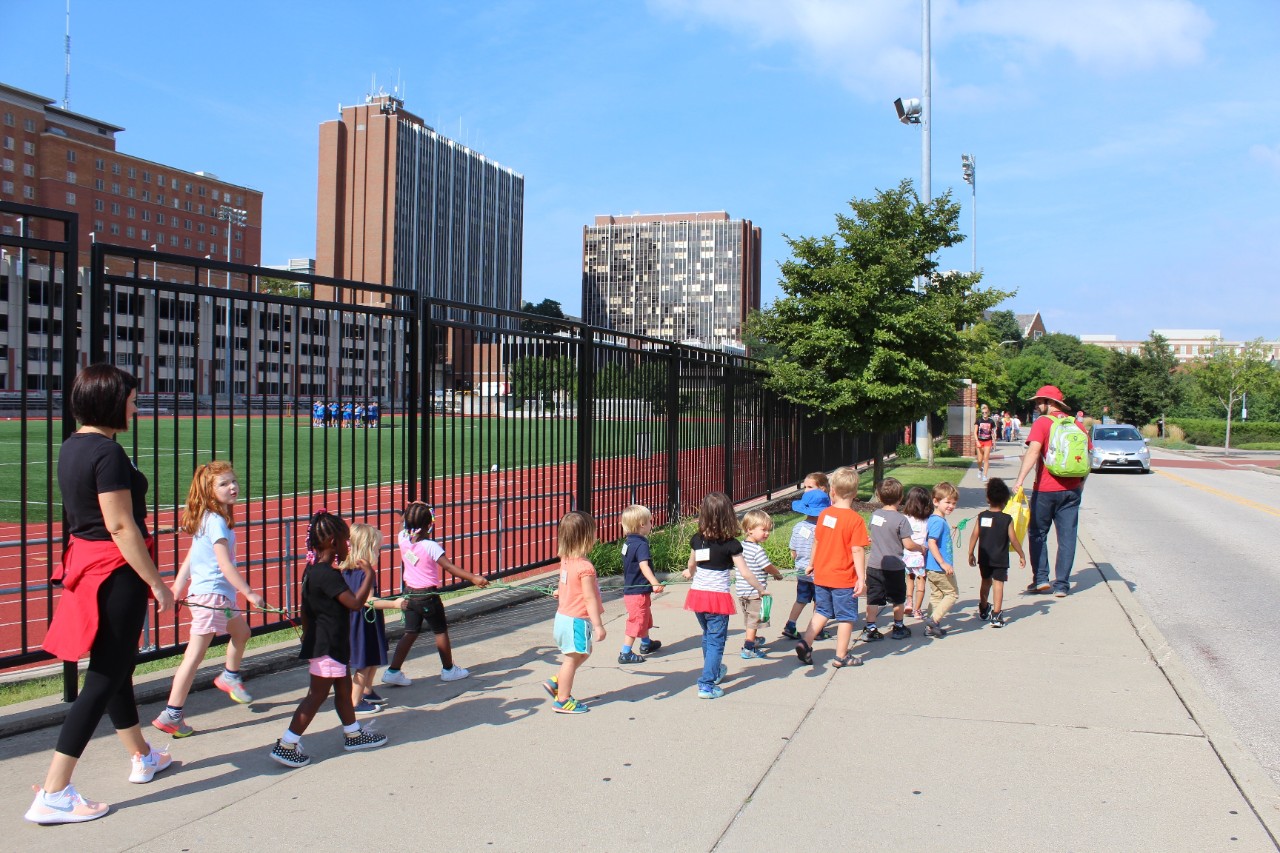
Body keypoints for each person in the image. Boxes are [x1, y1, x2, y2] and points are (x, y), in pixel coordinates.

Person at [26, 364, 177, 825]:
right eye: (131, 399)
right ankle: (54, 791)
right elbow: (120, 525)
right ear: (111, 401)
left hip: (92, 566)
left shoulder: (74, 445)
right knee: (105, 677)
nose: (135, 407)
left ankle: (142, 755)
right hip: (114, 572)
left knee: (115, 670)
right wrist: (157, 583)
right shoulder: (107, 453)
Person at [153, 461, 265, 738]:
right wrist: (249, 593)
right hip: (213, 598)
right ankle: (172, 713)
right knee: (194, 656)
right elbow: (225, 565)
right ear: (209, 491)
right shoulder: (215, 521)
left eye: (233, 481)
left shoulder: (209, 517)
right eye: (224, 484)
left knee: (242, 632)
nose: (233, 487)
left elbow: (191, 556)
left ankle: (230, 676)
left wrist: (177, 587)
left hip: (217, 598)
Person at [269, 510, 387, 768]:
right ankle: (287, 744)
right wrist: (369, 575)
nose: (348, 547)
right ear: (333, 542)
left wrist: (307, 634)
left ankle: (353, 734)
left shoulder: (313, 571)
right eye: (345, 541)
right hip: (328, 647)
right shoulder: (327, 575)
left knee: (343, 691)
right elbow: (355, 604)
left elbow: (305, 610)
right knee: (316, 695)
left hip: (331, 645)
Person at [382, 501, 489, 687]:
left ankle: (393, 670)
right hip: (428, 597)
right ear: (429, 525)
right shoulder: (430, 546)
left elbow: (401, 525)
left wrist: (408, 511)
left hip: (409, 595)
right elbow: (449, 567)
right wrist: (473, 578)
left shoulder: (403, 539)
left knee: (410, 633)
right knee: (440, 631)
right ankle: (448, 669)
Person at [1013, 385, 1091, 598]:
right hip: (1072, 490)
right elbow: (1088, 457)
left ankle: (1041, 579)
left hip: (1045, 489)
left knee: (1037, 533)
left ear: (1050, 403)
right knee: (1068, 537)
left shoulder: (1043, 423)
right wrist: (1081, 484)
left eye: (1040, 401)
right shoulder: (1077, 424)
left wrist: (1020, 480)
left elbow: (1033, 451)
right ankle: (1062, 585)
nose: (1037, 405)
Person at [793, 467, 870, 669]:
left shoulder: (825, 514)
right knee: (846, 617)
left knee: (822, 611)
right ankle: (841, 656)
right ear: (855, 493)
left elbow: (817, 542)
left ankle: (806, 642)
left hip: (822, 575)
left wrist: (811, 564)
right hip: (843, 578)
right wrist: (861, 578)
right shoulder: (855, 520)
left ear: (832, 491)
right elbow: (857, 550)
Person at [682, 492, 752, 698]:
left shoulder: (697, 540)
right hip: (717, 599)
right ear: (728, 515)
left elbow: (692, 564)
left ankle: (713, 670)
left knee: (708, 635)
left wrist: (690, 573)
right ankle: (706, 683)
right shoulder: (731, 544)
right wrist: (760, 588)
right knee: (716, 640)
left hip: (698, 596)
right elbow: (745, 572)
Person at [543, 511, 604, 714]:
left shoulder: (566, 560)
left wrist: (560, 591)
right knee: (573, 658)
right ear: (585, 537)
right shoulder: (585, 567)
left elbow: (565, 582)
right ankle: (562, 699)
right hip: (576, 620)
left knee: (583, 652)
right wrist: (598, 625)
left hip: (563, 618)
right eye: (593, 533)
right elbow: (589, 598)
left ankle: (557, 681)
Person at [342, 524, 405, 714]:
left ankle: (367, 690)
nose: (380, 551)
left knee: (373, 657)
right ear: (368, 549)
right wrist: (394, 604)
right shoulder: (366, 572)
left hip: (358, 621)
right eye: (377, 548)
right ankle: (355, 701)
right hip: (364, 622)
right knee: (365, 662)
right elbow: (368, 601)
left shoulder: (347, 570)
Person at [863, 477, 923, 642]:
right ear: (901, 497)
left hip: (875, 565)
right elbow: (908, 544)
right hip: (894, 566)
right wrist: (920, 547)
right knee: (898, 598)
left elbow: (874, 534)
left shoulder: (875, 515)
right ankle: (898, 626)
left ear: (879, 496)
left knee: (873, 598)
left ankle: (870, 628)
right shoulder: (901, 519)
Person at [967, 477, 1027, 628]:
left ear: (988, 498)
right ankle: (996, 615)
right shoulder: (1007, 519)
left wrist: (970, 552)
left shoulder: (982, 516)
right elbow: (1013, 539)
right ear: (1006, 500)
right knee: (998, 584)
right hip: (1000, 558)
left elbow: (974, 535)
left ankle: (983, 608)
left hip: (984, 557)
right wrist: (1021, 554)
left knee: (985, 581)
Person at [782, 473, 832, 641]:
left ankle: (790, 624)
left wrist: (798, 561)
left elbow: (793, 551)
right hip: (818, 572)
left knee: (801, 599)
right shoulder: (824, 528)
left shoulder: (798, 527)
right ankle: (817, 629)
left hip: (801, 570)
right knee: (819, 601)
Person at [618, 504, 664, 664]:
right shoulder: (642, 544)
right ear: (642, 525)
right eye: (650, 521)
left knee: (644, 616)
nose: (652, 524)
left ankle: (646, 643)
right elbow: (643, 565)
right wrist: (655, 583)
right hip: (637, 591)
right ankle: (625, 652)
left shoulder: (628, 543)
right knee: (637, 620)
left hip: (632, 589)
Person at [737, 510, 783, 659]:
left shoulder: (741, 547)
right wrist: (777, 574)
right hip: (754, 592)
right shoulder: (757, 550)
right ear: (749, 529)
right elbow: (767, 566)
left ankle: (752, 638)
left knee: (749, 618)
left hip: (742, 591)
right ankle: (749, 647)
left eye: (768, 530)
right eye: (763, 530)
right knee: (754, 620)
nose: (767, 533)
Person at [923, 482, 960, 637]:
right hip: (939, 567)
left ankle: (930, 629)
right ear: (936, 501)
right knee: (952, 594)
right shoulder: (938, 521)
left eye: (954, 503)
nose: (951, 506)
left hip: (932, 567)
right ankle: (934, 620)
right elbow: (931, 542)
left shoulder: (936, 519)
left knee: (937, 595)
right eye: (948, 502)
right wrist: (943, 563)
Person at [902, 486, 932, 619]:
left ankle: (909, 602)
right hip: (921, 556)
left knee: (909, 579)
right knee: (921, 582)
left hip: (907, 555)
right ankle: (917, 610)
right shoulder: (928, 520)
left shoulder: (905, 518)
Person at [973, 404, 997, 482]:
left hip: (988, 441)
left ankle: (985, 475)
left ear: (988, 412)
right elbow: (975, 432)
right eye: (983, 413)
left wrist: (994, 441)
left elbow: (993, 432)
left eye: (986, 412)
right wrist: (977, 441)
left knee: (986, 458)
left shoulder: (991, 421)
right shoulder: (978, 420)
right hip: (980, 441)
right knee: (979, 460)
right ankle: (980, 469)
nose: (984, 414)